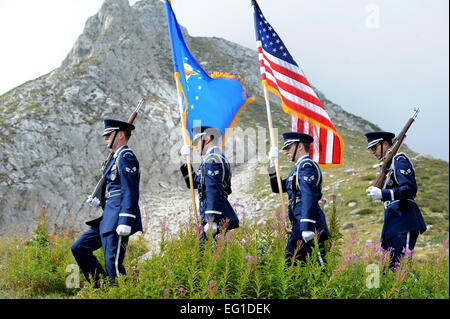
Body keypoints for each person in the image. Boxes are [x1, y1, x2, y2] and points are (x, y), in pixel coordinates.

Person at [71, 118, 143, 287]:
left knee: (114, 265)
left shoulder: (126, 156)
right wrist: (100, 198)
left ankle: (123, 293)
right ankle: (102, 287)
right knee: (79, 248)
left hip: (118, 218)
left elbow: (130, 191)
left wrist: (126, 220)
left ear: (121, 135)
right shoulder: (114, 159)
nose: (105, 138)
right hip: (108, 216)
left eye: (108, 134)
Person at [365, 131, 426, 268]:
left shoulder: (399, 160)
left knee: (401, 268)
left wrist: (383, 194)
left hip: (404, 220)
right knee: (390, 268)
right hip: (392, 224)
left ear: (385, 144)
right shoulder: (387, 168)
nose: (373, 152)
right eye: (371, 149)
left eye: (375, 148)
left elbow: (410, 189)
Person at [268, 132, 330, 266]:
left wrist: (307, 226)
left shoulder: (307, 166)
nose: (286, 152)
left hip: (308, 224)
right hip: (298, 224)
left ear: (300, 146)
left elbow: (309, 196)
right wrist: (272, 166)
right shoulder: (297, 169)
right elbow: (278, 188)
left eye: (289, 148)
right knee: (292, 265)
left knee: (318, 266)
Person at [180, 126, 239, 241]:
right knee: (207, 252)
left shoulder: (213, 159)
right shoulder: (210, 159)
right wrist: (186, 161)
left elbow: (213, 190)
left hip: (213, 214)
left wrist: (211, 220)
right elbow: (195, 183)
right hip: (208, 213)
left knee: (205, 252)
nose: (195, 147)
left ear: (206, 139)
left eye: (196, 142)